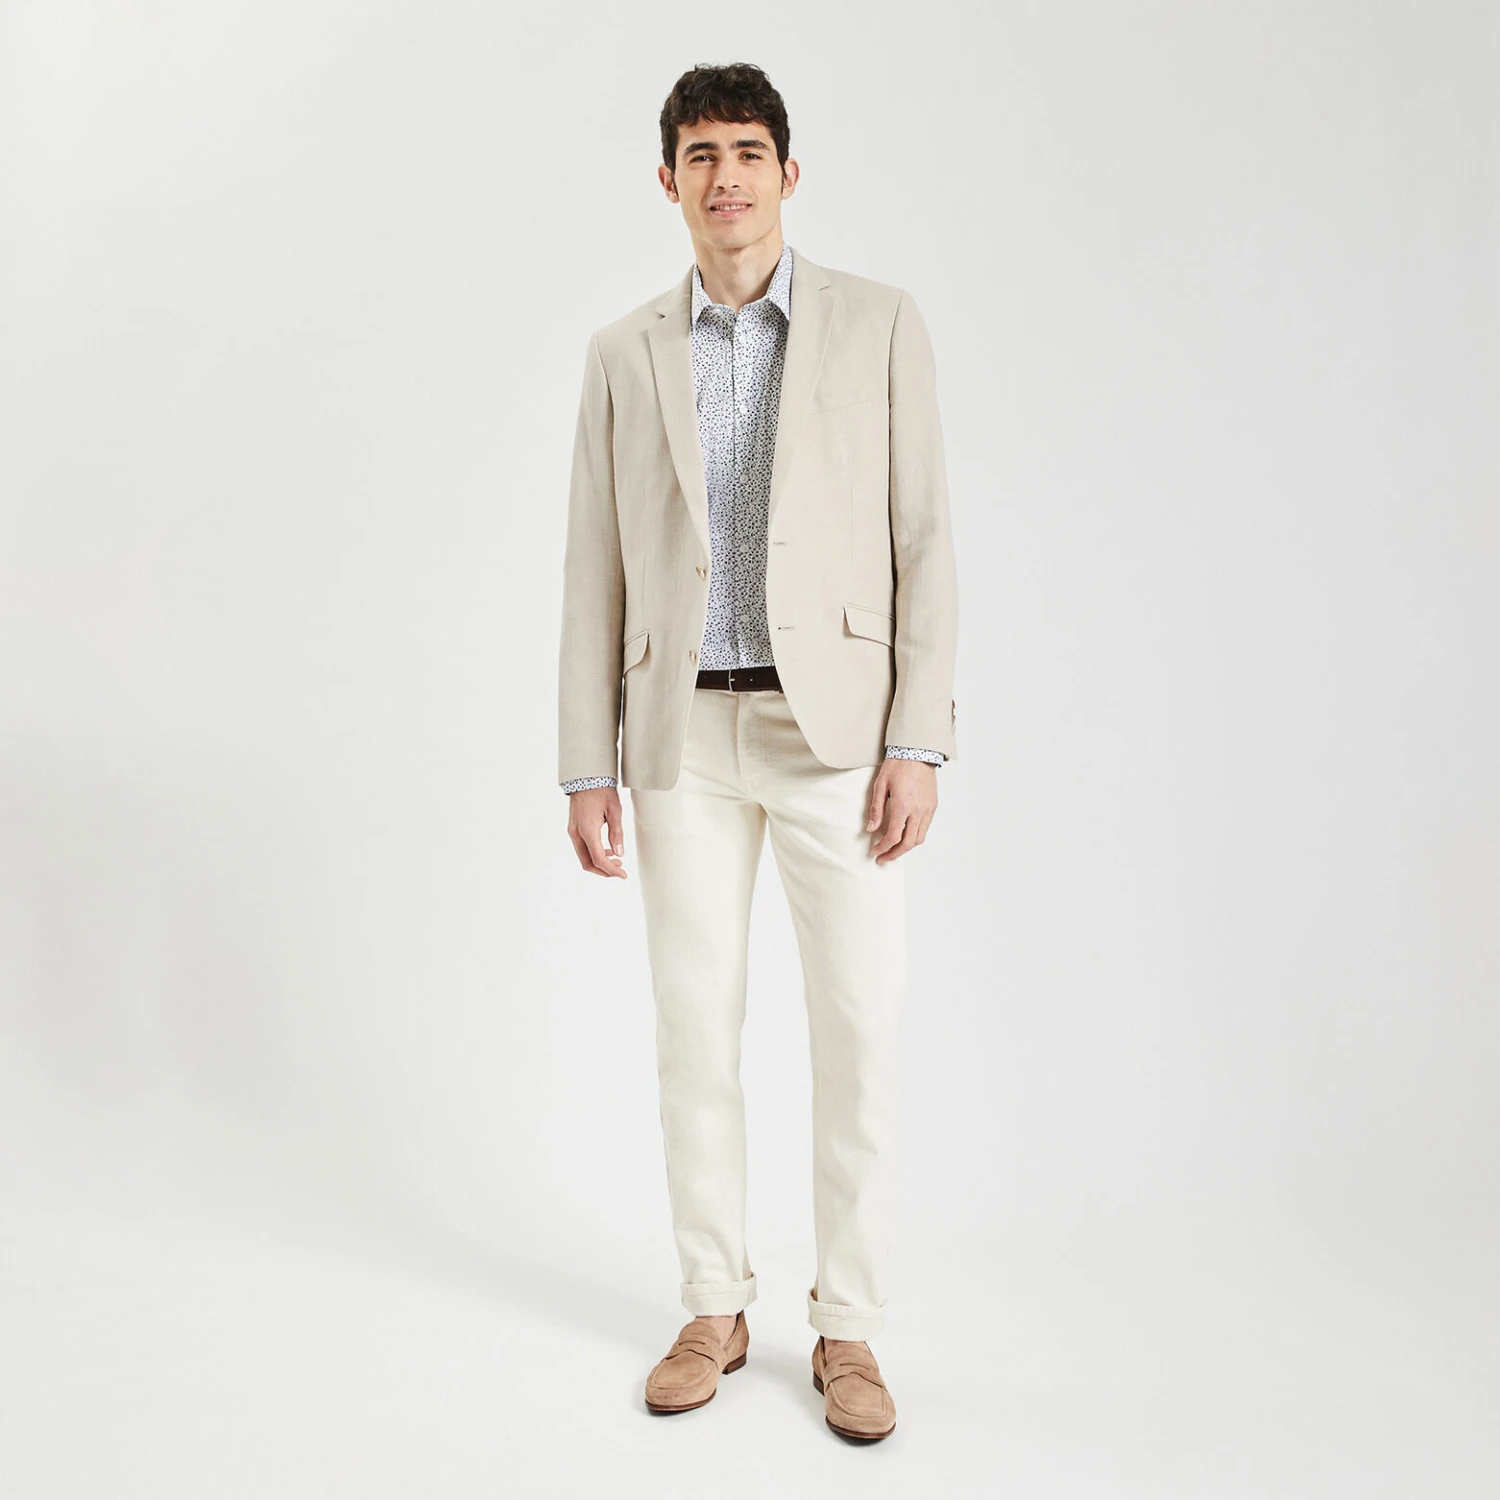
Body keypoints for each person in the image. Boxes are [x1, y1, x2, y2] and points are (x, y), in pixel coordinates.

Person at [556, 61, 959, 1442]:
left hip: (834, 734)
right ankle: (713, 1305)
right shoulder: (624, 352)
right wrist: (587, 763)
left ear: (788, 173)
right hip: (682, 737)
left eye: (746, 151)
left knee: (859, 1029)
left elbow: (924, 541)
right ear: (667, 181)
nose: (723, 176)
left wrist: (917, 738)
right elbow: (594, 567)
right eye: (699, 155)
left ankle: (849, 1326)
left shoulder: (878, 324)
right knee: (694, 1033)